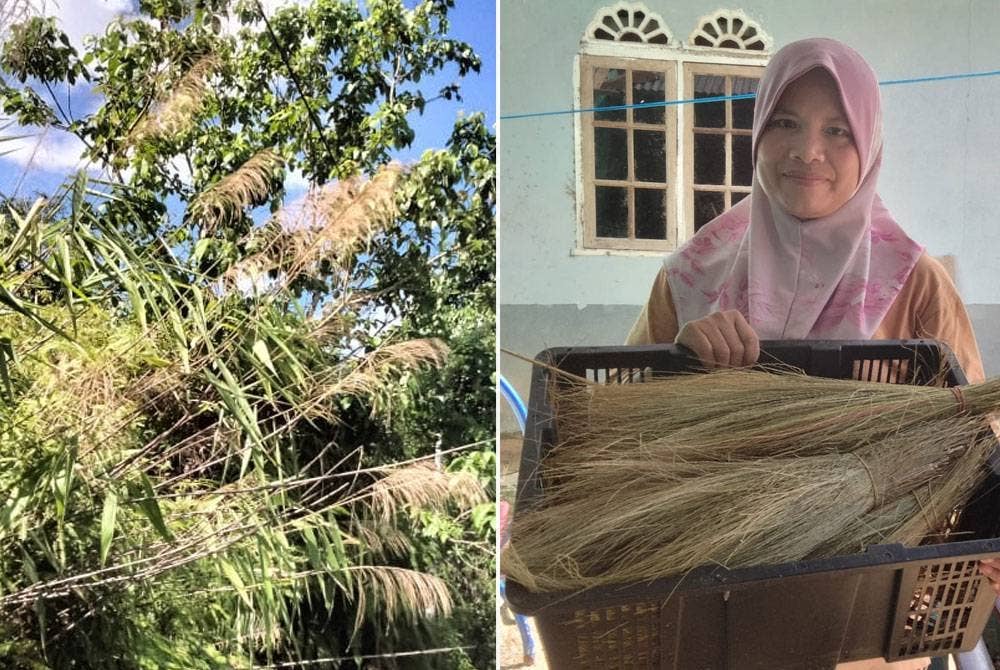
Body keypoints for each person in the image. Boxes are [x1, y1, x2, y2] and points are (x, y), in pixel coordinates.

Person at [626, 37, 996, 670]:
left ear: (871, 144)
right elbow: (613, 423)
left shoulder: (917, 284)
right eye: (785, 123)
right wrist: (677, 365)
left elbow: (977, 437)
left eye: (838, 131)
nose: (808, 152)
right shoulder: (691, 279)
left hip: (868, 627)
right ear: (757, 129)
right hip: (714, 609)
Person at [499, 500, 535, 666]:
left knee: (520, 615)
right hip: (503, 575)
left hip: (506, 577)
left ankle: (530, 652)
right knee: (518, 614)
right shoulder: (504, 510)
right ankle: (530, 652)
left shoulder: (505, 515)